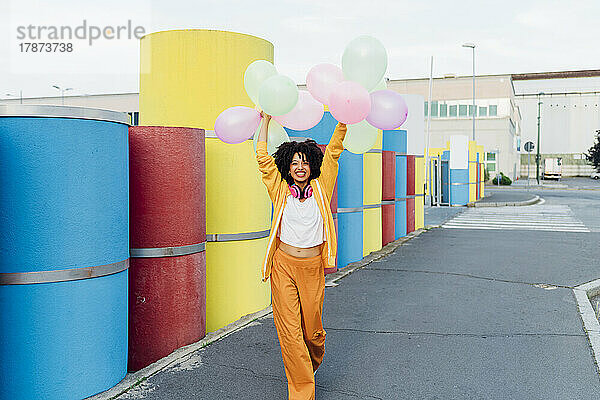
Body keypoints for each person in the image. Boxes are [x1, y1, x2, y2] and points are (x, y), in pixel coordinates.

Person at [255, 112, 346, 400]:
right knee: (291, 333)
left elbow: (333, 150)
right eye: (294, 163)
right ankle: (301, 392)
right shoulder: (280, 189)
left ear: (311, 165)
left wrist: (344, 118)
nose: (299, 167)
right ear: (287, 166)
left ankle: (310, 361)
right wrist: (266, 120)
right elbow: (261, 157)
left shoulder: (322, 185)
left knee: (312, 333)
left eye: (304, 162)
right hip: (282, 266)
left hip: (311, 267)